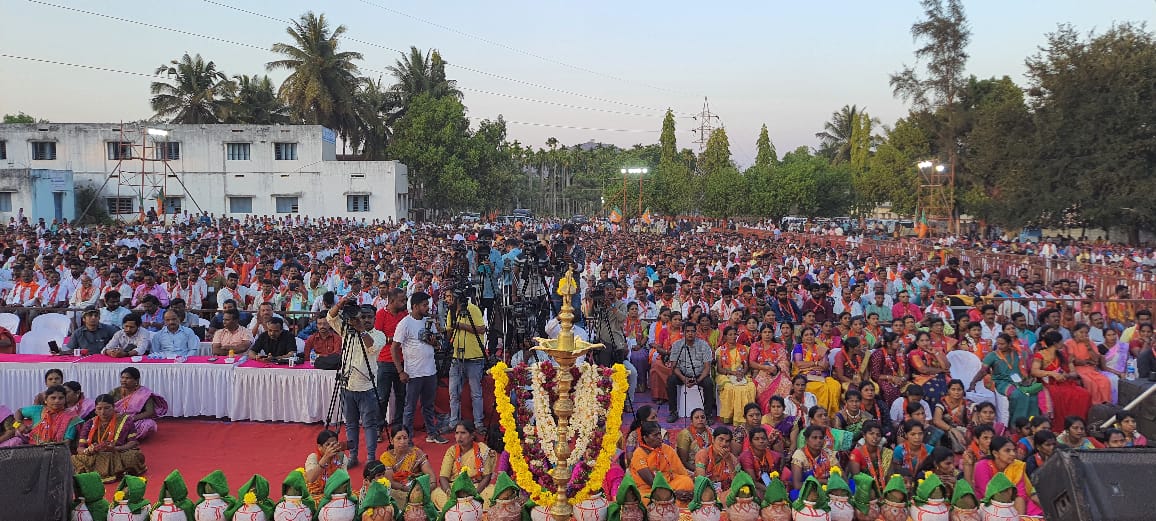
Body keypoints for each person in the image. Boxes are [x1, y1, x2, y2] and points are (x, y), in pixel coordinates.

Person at [328, 296, 387, 467]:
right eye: (363, 316)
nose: (366, 319)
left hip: (368, 387)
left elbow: (372, 347)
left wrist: (360, 329)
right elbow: (330, 317)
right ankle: (353, 457)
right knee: (350, 424)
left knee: (369, 424)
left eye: (369, 317)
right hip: (347, 386)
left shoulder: (379, 335)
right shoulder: (347, 330)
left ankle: (370, 458)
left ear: (374, 319)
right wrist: (341, 303)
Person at [393, 292, 447, 444]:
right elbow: (394, 348)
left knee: (429, 405)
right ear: (415, 306)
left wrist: (434, 341)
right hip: (413, 373)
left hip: (430, 371)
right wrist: (400, 371)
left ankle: (432, 433)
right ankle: (407, 438)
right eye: (424, 305)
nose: (427, 307)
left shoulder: (429, 321)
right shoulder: (405, 323)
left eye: (427, 304)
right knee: (409, 408)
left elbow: (437, 345)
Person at [71, 394, 147, 483]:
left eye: (107, 408)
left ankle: (95, 473)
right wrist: (87, 450)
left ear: (114, 407)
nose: (103, 412)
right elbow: (80, 448)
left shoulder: (125, 420)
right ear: (95, 410)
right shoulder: (89, 423)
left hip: (117, 453)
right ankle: (116, 471)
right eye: (99, 409)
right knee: (73, 458)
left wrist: (116, 448)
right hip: (96, 455)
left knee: (134, 456)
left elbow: (133, 442)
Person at [971, 333, 1042, 424]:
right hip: (1002, 383)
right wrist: (973, 383)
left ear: (1009, 344)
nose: (999, 346)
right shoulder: (992, 355)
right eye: (998, 343)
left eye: (1002, 344)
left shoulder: (1017, 352)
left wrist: (1028, 379)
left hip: (1020, 382)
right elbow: (983, 371)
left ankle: (1032, 423)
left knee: (1033, 394)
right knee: (1019, 394)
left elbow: (1026, 367)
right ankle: (1017, 424)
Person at [443, 290, 487, 433]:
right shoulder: (451, 312)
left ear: (457, 298)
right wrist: (446, 329)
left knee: (476, 393)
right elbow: (450, 332)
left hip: (474, 358)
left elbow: (482, 329)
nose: (448, 300)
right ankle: (453, 422)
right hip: (456, 358)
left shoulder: (472, 309)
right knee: (454, 393)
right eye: (446, 297)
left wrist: (462, 326)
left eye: (450, 297)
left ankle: (478, 423)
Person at [972, 436, 1043, 517]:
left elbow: (1020, 495)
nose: (1013, 454)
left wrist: (1019, 517)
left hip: (1014, 506)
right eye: (1007, 451)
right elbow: (987, 494)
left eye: (1014, 450)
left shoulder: (1016, 466)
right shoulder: (983, 466)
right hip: (990, 506)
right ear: (995, 453)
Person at [1032, 331, 1092, 423]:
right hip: (1049, 384)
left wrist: (1066, 375)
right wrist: (1051, 373)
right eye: (1061, 342)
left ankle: (1078, 422)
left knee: (1084, 394)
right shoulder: (1040, 355)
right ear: (1055, 343)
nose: (1063, 344)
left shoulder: (1061, 355)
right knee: (1061, 395)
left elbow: (1073, 373)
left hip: (1064, 382)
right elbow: (1034, 371)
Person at [666, 320, 717, 424]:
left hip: (699, 374)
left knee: (709, 383)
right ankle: (673, 412)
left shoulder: (703, 345)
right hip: (682, 374)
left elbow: (707, 367)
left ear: (696, 332)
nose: (690, 333)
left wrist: (698, 380)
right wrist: (683, 378)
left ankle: (708, 414)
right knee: (670, 381)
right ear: (683, 332)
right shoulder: (677, 345)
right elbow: (674, 366)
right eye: (687, 331)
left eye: (692, 331)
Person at [630, 421, 695, 501]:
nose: (660, 437)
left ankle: (673, 500)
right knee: (646, 500)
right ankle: (672, 500)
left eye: (659, 433)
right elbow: (652, 482)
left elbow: (681, 471)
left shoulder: (667, 449)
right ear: (645, 438)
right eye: (655, 435)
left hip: (668, 484)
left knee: (686, 482)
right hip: (648, 489)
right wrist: (674, 493)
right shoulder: (639, 453)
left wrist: (692, 484)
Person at [434, 423, 495, 506]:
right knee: (436, 494)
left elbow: (487, 476)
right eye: (457, 433)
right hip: (455, 488)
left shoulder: (482, 449)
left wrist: (475, 493)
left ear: (472, 435)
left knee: (493, 493)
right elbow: (443, 477)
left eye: (463, 433)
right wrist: (450, 493)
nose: (459, 437)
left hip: (476, 486)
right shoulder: (452, 451)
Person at [373, 288, 408, 430]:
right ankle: (379, 428)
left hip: (403, 359)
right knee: (382, 397)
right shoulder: (381, 314)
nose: (404, 302)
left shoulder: (404, 314)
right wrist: (394, 339)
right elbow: (377, 336)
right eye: (402, 300)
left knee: (401, 396)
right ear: (392, 301)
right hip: (385, 361)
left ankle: (398, 426)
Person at [379, 425, 435, 506]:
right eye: (398, 438)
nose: (402, 441)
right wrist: (407, 489)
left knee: (437, 494)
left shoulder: (416, 453)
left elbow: (430, 475)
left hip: (420, 488)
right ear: (391, 440)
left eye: (405, 438)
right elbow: (390, 482)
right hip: (399, 491)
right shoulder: (386, 457)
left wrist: (431, 486)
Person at [792, 327, 843, 414]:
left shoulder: (821, 348)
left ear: (815, 337)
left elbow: (824, 365)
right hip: (806, 377)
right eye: (806, 335)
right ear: (802, 337)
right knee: (823, 388)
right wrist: (816, 363)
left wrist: (809, 365)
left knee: (835, 385)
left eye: (811, 334)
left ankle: (832, 414)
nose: (809, 337)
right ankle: (820, 413)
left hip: (822, 376)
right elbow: (799, 364)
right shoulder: (799, 347)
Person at [107, 367, 167, 440]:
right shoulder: (115, 392)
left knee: (148, 425)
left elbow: (150, 412)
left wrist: (130, 418)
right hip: (117, 419)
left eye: (127, 378)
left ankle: (122, 436)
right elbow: (106, 406)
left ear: (136, 380)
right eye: (122, 378)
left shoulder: (144, 393)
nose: (124, 380)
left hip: (135, 420)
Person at [715, 326, 757, 425]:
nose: (733, 337)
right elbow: (719, 369)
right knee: (730, 387)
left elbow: (746, 365)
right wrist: (732, 373)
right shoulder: (720, 350)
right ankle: (730, 416)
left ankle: (748, 415)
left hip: (742, 374)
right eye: (730, 335)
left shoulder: (743, 348)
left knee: (750, 387)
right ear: (725, 336)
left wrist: (742, 373)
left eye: (735, 334)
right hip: (725, 374)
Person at [1065, 324, 1113, 404]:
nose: (1084, 335)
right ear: (1075, 333)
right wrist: (1087, 361)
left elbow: (1095, 359)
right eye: (1081, 332)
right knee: (1090, 383)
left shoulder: (1090, 343)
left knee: (1104, 381)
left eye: (1086, 333)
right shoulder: (1069, 343)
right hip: (1077, 369)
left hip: (1090, 369)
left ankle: (1105, 403)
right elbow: (1072, 360)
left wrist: (1088, 347)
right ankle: (1094, 404)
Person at [748, 324, 791, 412]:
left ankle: (782, 411)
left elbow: (785, 362)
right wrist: (764, 367)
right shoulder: (755, 346)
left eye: (769, 332)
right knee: (761, 387)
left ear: (773, 333)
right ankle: (766, 411)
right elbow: (751, 363)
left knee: (787, 384)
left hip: (777, 373)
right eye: (765, 332)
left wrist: (776, 368)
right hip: (761, 373)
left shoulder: (778, 346)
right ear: (760, 334)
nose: (767, 334)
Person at [847, 421, 891, 496]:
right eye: (871, 434)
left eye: (878, 435)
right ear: (864, 436)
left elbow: (890, 476)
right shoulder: (857, 453)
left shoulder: (885, 453)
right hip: (862, 487)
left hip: (882, 487)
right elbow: (857, 477)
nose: (875, 437)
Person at [305, 430, 349, 504]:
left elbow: (344, 480)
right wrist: (325, 458)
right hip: (316, 493)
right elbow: (311, 478)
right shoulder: (313, 457)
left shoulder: (341, 457)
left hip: (335, 492)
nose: (331, 448)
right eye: (327, 445)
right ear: (319, 447)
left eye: (334, 444)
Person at [908, 331, 951, 406]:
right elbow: (923, 369)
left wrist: (935, 353)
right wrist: (941, 370)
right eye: (922, 341)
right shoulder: (914, 353)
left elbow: (947, 367)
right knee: (933, 392)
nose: (925, 343)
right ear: (917, 343)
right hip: (923, 378)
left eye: (927, 340)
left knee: (953, 389)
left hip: (942, 377)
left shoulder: (938, 350)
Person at [790, 425, 837, 489]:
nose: (819, 441)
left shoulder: (828, 453)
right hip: (806, 489)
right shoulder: (800, 454)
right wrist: (820, 481)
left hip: (826, 487)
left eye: (821, 438)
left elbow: (843, 478)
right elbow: (797, 485)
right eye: (814, 438)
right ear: (806, 440)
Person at [693, 426, 739, 492]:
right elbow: (701, 481)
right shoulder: (703, 454)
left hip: (726, 493)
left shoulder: (732, 458)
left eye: (727, 441)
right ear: (713, 439)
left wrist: (728, 461)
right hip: (706, 492)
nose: (724, 444)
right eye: (721, 439)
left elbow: (737, 482)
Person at [934, 379, 972, 453]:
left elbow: (974, 416)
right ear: (948, 391)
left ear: (963, 391)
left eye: (959, 389)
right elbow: (936, 420)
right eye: (953, 389)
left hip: (963, 429)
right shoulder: (942, 403)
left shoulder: (967, 403)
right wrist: (952, 429)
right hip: (947, 430)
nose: (956, 392)